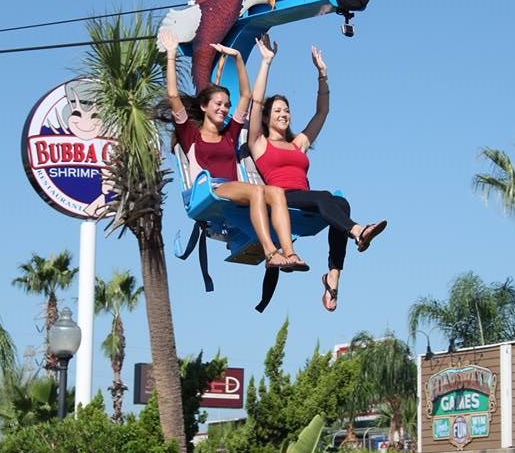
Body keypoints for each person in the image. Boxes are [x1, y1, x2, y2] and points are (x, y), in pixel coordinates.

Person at [248, 34, 386, 310]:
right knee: (325, 196)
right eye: (277, 110)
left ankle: (333, 276)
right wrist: (266, 62)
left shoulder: (297, 143)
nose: (284, 114)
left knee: (341, 202)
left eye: (286, 110)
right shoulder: (259, 144)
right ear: (266, 117)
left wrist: (322, 74)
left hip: (307, 201)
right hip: (281, 199)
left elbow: (322, 112)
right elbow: (256, 102)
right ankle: (358, 232)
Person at [160, 28, 308, 271]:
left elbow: (247, 95)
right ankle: (271, 252)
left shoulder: (229, 134)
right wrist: (171, 55)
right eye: (218, 104)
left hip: (235, 190)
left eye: (226, 105)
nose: (223, 108)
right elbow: (173, 95)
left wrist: (238, 58)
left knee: (277, 193)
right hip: (211, 188)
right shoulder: (190, 135)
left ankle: (289, 253)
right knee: (258, 192)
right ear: (204, 106)